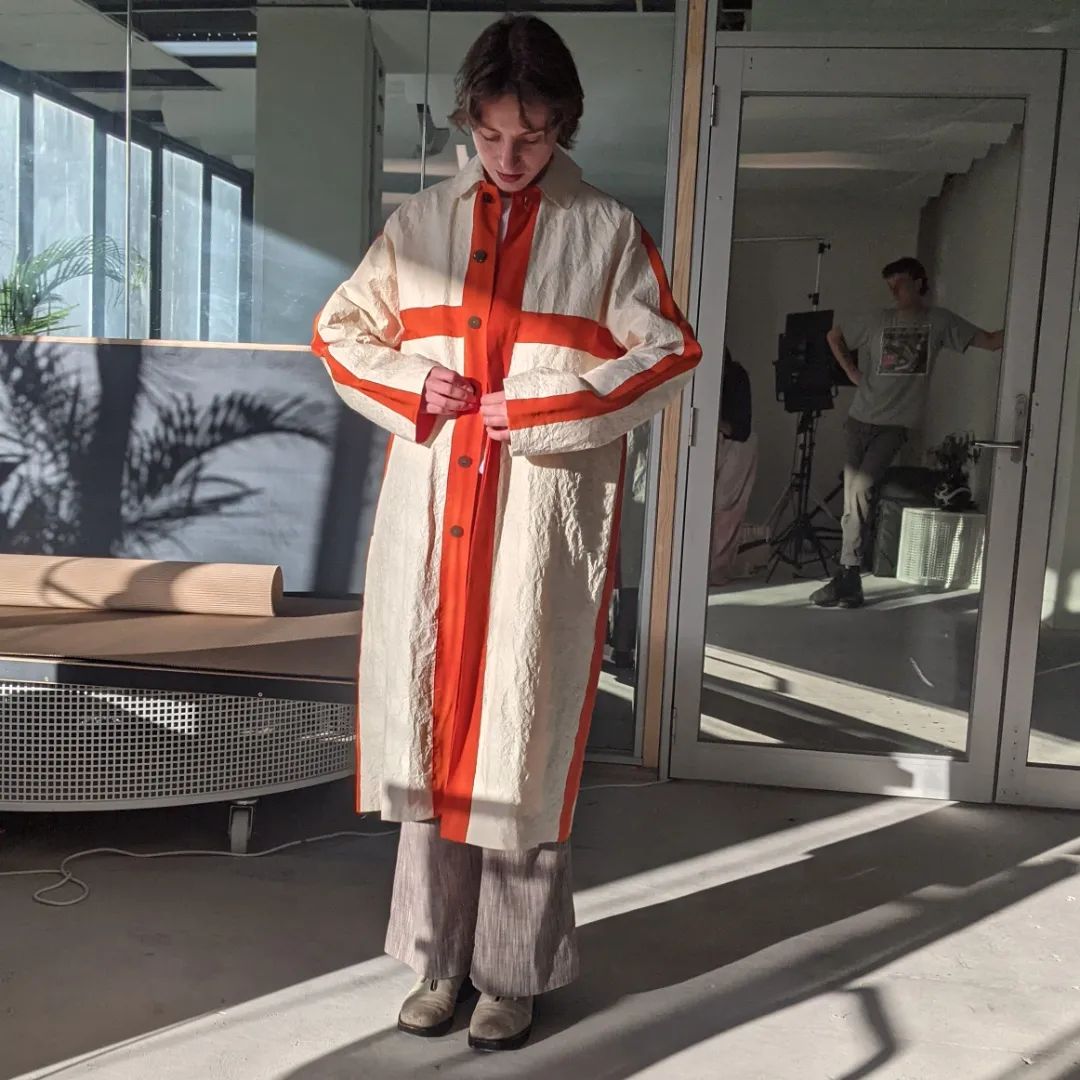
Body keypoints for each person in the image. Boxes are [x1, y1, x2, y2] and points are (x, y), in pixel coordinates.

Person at [311, 15, 701, 1053]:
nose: (509, 156)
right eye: (489, 136)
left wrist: (539, 404)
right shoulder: (417, 226)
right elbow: (339, 332)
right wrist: (413, 381)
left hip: (534, 526)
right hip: (436, 521)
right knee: (437, 739)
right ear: (469, 124)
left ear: (564, 122)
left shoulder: (606, 232)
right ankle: (437, 962)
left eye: (531, 137)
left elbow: (666, 351)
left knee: (517, 744)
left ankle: (513, 974)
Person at [811, 257, 1003, 609]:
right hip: (859, 419)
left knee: (861, 490)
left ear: (919, 282)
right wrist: (853, 373)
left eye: (900, 284)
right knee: (853, 496)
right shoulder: (878, 320)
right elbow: (834, 335)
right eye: (890, 287)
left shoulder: (939, 321)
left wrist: (1036, 319)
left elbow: (991, 341)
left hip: (895, 425)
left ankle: (848, 574)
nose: (895, 292)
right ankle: (848, 577)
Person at [709, 347, 756, 586]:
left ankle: (717, 570)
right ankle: (712, 568)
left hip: (737, 443)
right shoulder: (725, 376)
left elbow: (740, 429)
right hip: (723, 439)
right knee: (716, 507)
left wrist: (711, 421)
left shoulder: (736, 377)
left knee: (725, 508)